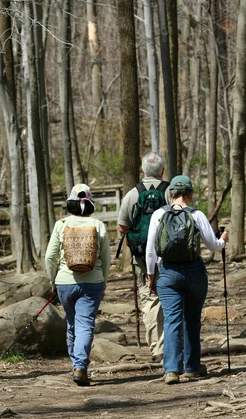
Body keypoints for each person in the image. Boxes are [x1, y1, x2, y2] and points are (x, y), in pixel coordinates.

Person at [146, 175, 229, 385]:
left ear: (171, 194)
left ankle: (172, 369)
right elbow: (212, 246)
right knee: (192, 320)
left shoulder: (158, 215)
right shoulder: (197, 215)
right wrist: (223, 240)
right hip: (194, 272)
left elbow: (150, 251)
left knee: (172, 320)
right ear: (190, 194)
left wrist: (150, 276)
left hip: (167, 272)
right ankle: (192, 367)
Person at [45, 184, 111, 386]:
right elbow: (106, 259)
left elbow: (50, 256)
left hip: (65, 281)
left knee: (73, 323)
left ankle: (76, 364)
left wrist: (53, 280)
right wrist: (104, 282)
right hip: (92, 282)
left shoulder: (61, 224)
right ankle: (80, 366)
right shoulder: (98, 225)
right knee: (84, 324)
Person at [117, 152, 170, 360]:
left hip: (140, 256)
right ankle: (171, 345)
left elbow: (122, 226)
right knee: (170, 297)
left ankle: (157, 347)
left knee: (149, 299)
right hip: (168, 255)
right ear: (162, 171)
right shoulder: (169, 193)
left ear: (142, 171)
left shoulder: (132, 194)